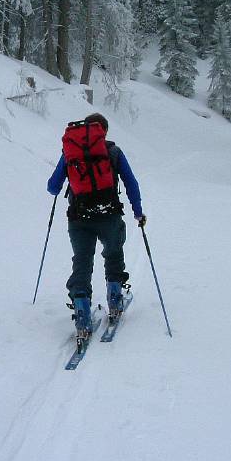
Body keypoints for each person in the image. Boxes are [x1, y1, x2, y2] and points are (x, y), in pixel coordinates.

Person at [47, 112, 146, 336]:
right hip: (109, 215)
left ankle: (82, 308)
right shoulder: (113, 151)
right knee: (113, 253)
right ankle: (114, 297)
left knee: (82, 261)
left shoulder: (70, 153)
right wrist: (138, 212)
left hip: (79, 218)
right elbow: (131, 183)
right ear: (104, 131)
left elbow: (53, 187)